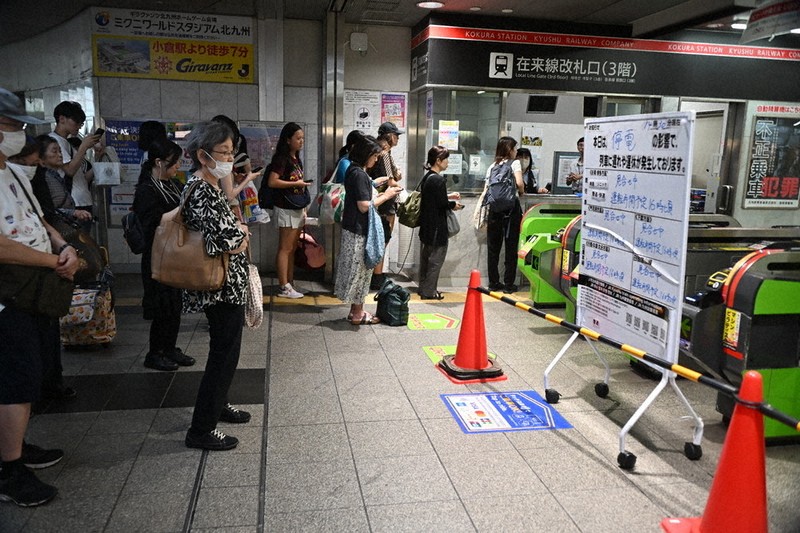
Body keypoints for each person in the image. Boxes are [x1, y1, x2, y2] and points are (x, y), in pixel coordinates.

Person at [0, 88, 81, 507]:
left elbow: (40, 220)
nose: (18, 135)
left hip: (33, 290)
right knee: (15, 380)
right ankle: (8, 472)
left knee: (27, 376)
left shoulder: (13, 173)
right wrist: (53, 262)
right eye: (9, 126)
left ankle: (14, 448)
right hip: (8, 296)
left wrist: (62, 247)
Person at [182, 120, 252, 451]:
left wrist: (236, 233)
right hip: (220, 287)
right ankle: (201, 429)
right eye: (223, 151)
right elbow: (222, 239)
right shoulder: (201, 189)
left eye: (230, 151)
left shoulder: (209, 186)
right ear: (202, 155)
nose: (229, 157)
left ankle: (218, 404)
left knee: (226, 352)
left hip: (228, 284)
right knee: (222, 355)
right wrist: (241, 235)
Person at [132, 137, 196, 372]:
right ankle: (155, 352)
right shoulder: (146, 190)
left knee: (174, 303)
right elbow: (151, 223)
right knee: (161, 305)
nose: (178, 166)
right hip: (156, 254)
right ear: (159, 162)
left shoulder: (172, 184)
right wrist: (182, 209)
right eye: (174, 162)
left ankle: (170, 347)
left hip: (175, 253)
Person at [335, 135, 402, 324]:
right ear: (366, 154)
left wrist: (378, 182)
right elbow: (364, 205)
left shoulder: (355, 170)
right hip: (359, 230)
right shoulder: (358, 174)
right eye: (375, 156)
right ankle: (358, 314)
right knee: (360, 272)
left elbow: (364, 187)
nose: (376, 159)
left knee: (358, 271)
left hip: (353, 228)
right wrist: (387, 194)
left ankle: (355, 311)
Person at [266, 122, 310, 299]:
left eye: (303, 138)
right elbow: (272, 181)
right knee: (285, 248)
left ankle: (289, 282)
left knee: (291, 247)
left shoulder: (296, 158)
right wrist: (296, 184)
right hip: (285, 207)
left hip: (296, 207)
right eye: (298, 138)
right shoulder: (281, 159)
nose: (301, 142)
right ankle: (284, 286)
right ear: (287, 140)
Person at [417, 145, 463, 300]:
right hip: (438, 227)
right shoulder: (438, 180)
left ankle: (423, 288)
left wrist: (448, 196)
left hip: (427, 226)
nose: (448, 163)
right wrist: (453, 205)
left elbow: (432, 199)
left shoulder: (428, 177)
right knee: (436, 261)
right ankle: (429, 292)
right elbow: (442, 204)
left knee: (426, 259)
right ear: (438, 160)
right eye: (446, 159)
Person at [485, 136, 525, 293]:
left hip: (494, 210)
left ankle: (494, 282)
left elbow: (487, 188)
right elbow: (520, 183)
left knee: (493, 248)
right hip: (511, 209)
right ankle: (509, 284)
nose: (516, 152)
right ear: (510, 150)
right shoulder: (514, 163)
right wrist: (520, 192)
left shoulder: (492, 166)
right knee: (511, 247)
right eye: (514, 149)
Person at [368, 121, 404, 290]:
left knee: (381, 239)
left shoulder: (377, 151)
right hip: (385, 203)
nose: (397, 138)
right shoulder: (384, 152)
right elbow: (391, 179)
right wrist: (396, 180)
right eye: (396, 135)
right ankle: (377, 276)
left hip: (380, 201)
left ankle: (376, 275)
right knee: (383, 239)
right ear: (388, 136)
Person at [34, 135, 93, 229]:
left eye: (60, 151)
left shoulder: (55, 175)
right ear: (41, 157)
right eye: (54, 151)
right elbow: (47, 210)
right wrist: (74, 212)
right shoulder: (42, 178)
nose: (60, 155)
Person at [49, 101, 101, 185]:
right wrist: (84, 146)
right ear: (62, 119)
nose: (79, 126)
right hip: (71, 197)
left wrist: (97, 156)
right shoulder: (53, 140)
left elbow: (80, 178)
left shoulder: (66, 142)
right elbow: (70, 171)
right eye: (77, 121)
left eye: (81, 123)